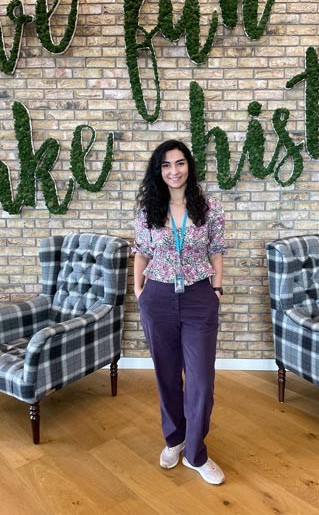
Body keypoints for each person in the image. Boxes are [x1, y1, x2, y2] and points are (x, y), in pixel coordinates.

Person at [132, 139, 227, 485]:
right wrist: (139, 290)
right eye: (167, 165)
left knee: (201, 380)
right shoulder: (147, 211)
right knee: (167, 374)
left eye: (180, 163)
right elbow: (141, 252)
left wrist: (216, 289)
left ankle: (195, 453)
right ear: (159, 171)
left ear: (190, 166)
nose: (174, 171)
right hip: (157, 298)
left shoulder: (210, 208)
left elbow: (216, 250)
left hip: (199, 296)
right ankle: (175, 439)